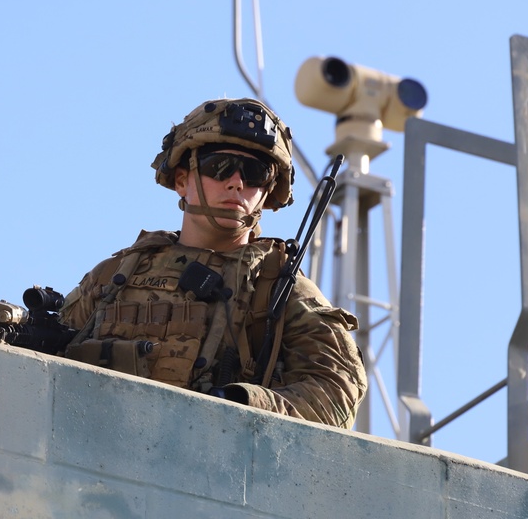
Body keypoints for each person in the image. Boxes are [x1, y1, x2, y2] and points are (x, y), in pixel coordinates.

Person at [59, 97, 367, 429]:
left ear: (266, 191)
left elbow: (338, 391)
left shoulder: (279, 288)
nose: (236, 183)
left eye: (254, 173)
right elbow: (52, 360)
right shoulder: (117, 275)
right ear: (181, 180)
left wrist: (242, 404)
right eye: (219, 166)